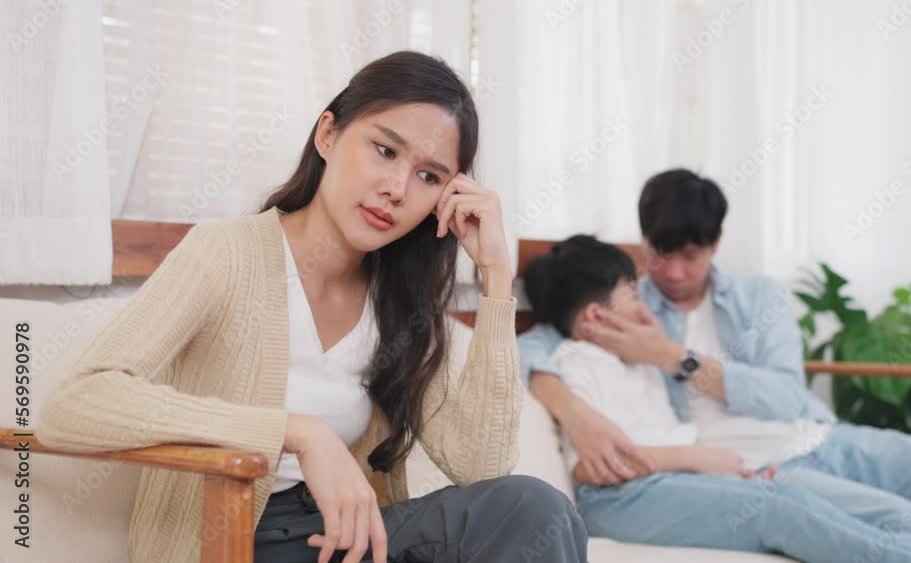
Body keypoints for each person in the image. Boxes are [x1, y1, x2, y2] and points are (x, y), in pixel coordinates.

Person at [38, 51, 587, 563]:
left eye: (428, 177)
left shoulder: (401, 301)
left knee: (533, 509)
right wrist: (296, 431)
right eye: (385, 149)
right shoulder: (225, 253)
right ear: (328, 134)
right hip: (234, 541)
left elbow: (481, 466)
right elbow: (75, 404)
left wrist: (494, 276)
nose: (397, 188)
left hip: (346, 539)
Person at [519, 169, 911, 563]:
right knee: (871, 520)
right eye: (661, 254)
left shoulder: (756, 298)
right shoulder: (620, 301)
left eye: (692, 255)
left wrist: (672, 358)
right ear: (645, 243)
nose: (675, 272)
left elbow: (786, 397)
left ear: (716, 242)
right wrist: (573, 412)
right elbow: (531, 348)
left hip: (815, 440)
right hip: (744, 469)